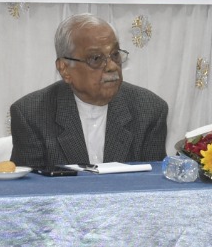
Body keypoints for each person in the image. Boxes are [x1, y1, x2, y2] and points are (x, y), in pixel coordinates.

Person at [9, 14, 168, 167]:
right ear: (65, 69)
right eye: (96, 58)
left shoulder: (149, 110)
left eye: (115, 55)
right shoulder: (32, 115)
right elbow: (31, 184)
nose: (112, 66)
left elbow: (153, 182)